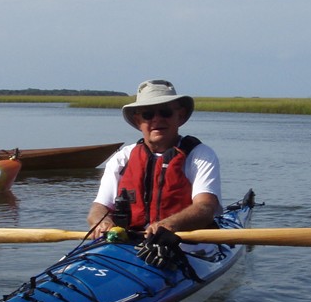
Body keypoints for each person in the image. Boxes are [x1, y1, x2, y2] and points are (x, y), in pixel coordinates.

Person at [87, 79, 222, 239]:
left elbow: (205, 207)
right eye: (148, 114)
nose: (157, 120)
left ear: (180, 115)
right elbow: (99, 207)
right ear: (138, 121)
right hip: (129, 241)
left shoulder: (200, 155)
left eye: (165, 112)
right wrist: (101, 221)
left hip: (185, 242)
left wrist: (171, 224)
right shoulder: (122, 158)